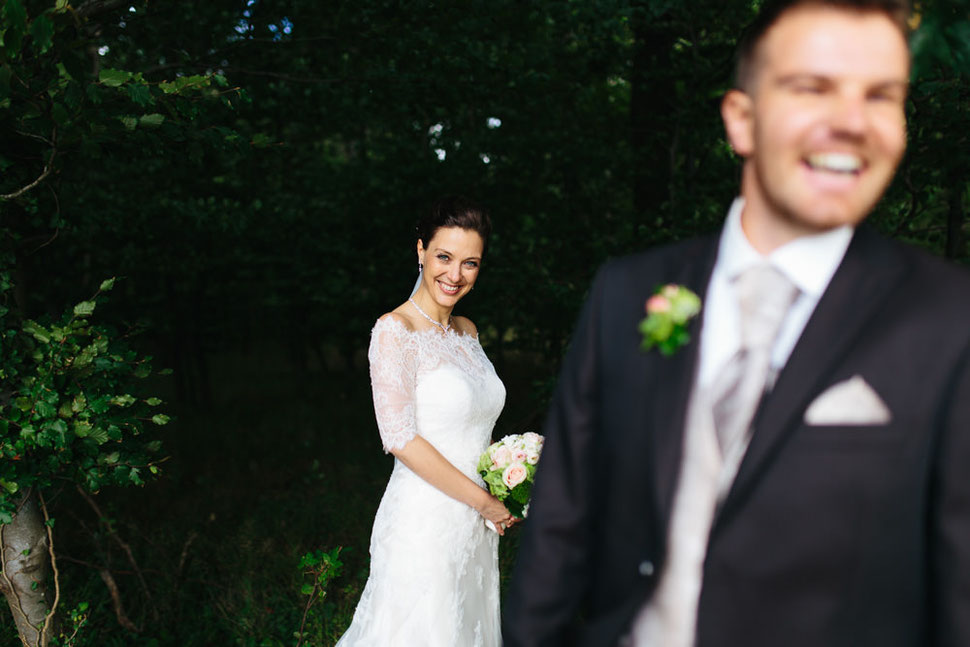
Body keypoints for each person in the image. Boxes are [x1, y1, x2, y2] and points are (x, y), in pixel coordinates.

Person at [503, 1, 970, 646]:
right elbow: (560, 528)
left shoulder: (949, 319)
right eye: (813, 87)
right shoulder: (627, 291)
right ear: (742, 121)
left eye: (882, 96)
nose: (853, 122)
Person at [336, 196, 514, 647]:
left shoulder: (467, 332)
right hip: (425, 527)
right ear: (420, 251)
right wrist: (484, 502)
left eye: (470, 263)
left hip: (474, 529)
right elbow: (400, 438)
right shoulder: (394, 331)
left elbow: (476, 424)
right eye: (444, 257)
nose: (454, 275)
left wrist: (511, 476)